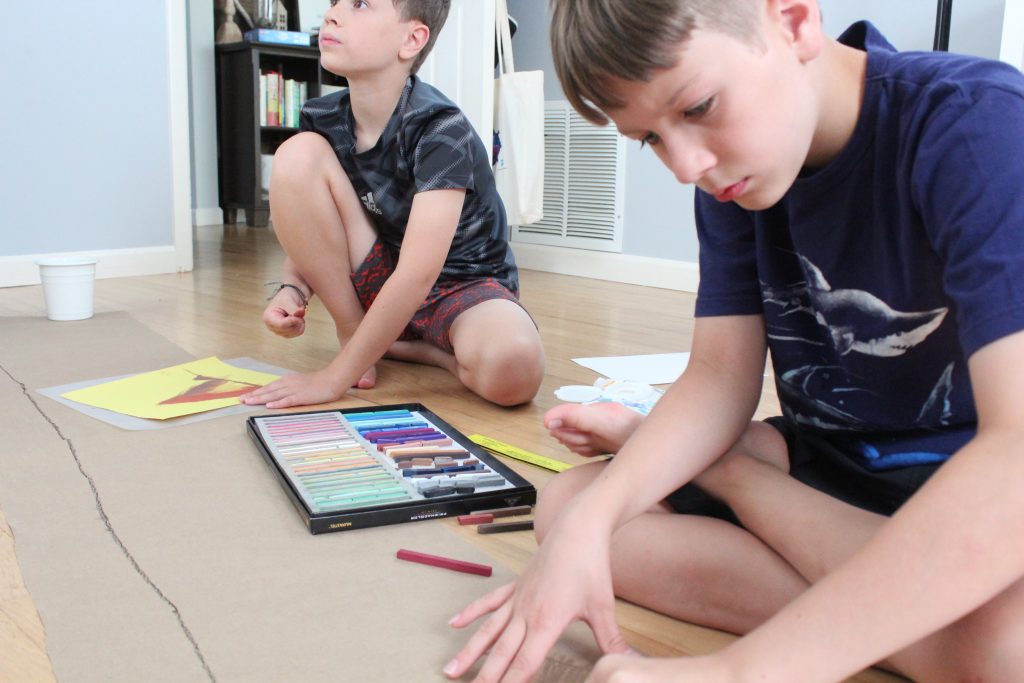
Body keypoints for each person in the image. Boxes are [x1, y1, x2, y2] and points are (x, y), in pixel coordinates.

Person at [443, 0, 1024, 681]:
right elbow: (719, 375)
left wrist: (741, 669)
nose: (686, 166)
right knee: (569, 510)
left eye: (699, 106)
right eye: (650, 139)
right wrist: (593, 522)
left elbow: (1011, 459)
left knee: (1006, 644)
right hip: (831, 464)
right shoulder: (730, 182)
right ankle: (896, 612)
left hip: (968, 486)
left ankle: (758, 501)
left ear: (795, 20)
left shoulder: (975, 126)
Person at [241, 0, 544, 410]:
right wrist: (293, 288)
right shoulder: (322, 118)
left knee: (515, 370)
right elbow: (316, 224)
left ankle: (416, 350)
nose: (332, 14)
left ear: (412, 39)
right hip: (379, 273)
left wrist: (333, 381)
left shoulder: (440, 129)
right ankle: (356, 333)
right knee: (296, 155)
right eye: (333, 3)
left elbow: (419, 274)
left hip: (462, 285)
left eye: (360, 4)